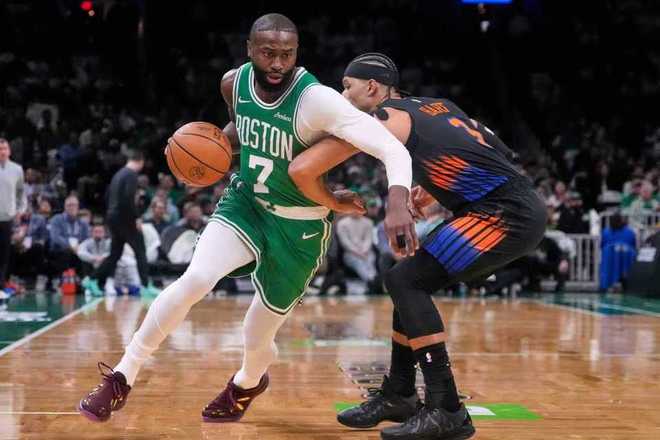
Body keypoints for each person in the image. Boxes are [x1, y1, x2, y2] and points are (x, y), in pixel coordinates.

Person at [78, 14, 415, 424]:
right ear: (250, 50)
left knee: (257, 333)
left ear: (297, 54)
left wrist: (397, 203)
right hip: (247, 203)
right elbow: (244, 131)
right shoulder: (232, 83)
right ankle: (121, 376)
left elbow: (392, 149)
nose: (277, 63)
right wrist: (204, 155)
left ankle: (247, 382)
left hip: (299, 224)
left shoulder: (318, 101)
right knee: (196, 279)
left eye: (287, 54)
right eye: (268, 53)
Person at [288, 52, 548, 440]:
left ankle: (447, 410)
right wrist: (432, 187)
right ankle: (399, 393)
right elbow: (496, 151)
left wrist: (328, 197)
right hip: (508, 203)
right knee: (405, 280)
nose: (342, 96)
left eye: (347, 87)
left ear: (372, 87)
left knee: (407, 281)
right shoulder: (436, 105)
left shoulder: (384, 117)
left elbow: (306, 166)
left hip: (506, 214)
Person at [81, 149, 158, 296]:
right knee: (140, 250)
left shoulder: (118, 174)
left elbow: (107, 196)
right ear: (141, 161)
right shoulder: (131, 175)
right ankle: (146, 286)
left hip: (113, 217)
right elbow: (128, 198)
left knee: (115, 254)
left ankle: (92, 279)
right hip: (125, 217)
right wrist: (136, 217)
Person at [0, 138, 26, 289]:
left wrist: (20, 210)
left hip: (7, 218)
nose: (2, 152)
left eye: (4, 148)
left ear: (9, 151)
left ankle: (1, 286)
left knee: (4, 255)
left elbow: (21, 193)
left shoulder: (17, 169)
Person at [48, 195, 90, 276]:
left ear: (78, 207)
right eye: (69, 205)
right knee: (66, 252)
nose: (72, 207)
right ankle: (63, 279)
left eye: (74, 205)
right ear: (65, 207)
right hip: (59, 249)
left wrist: (79, 247)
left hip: (78, 249)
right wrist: (70, 246)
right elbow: (55, 237)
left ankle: (83, 279)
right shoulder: (57, 219)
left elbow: (86, 239)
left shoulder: (82, 223)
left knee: (86, 254)